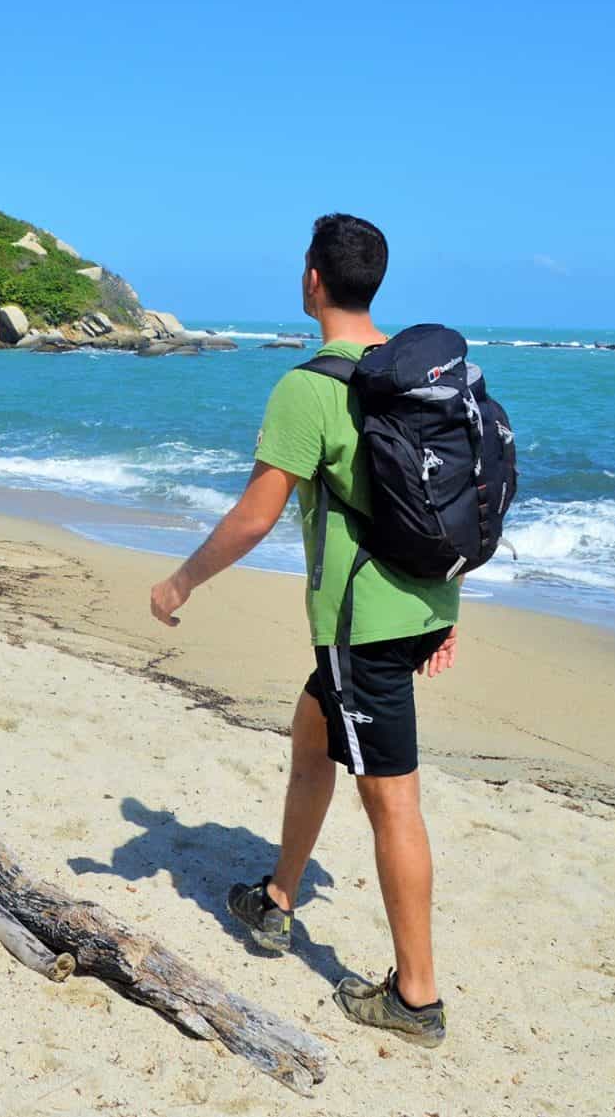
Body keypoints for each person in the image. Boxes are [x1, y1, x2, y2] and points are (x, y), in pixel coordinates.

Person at [147, 213, 460, 1049]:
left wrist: (181, 580)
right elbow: (457, 494)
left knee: (393, 800)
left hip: (365, 627)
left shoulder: (308, 387)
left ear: (313, 280)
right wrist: (443, 601)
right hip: (416, 607)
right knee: (312, 730)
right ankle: (280, 898)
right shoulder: (420, 375)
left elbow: (255, 518)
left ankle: (416, 999)